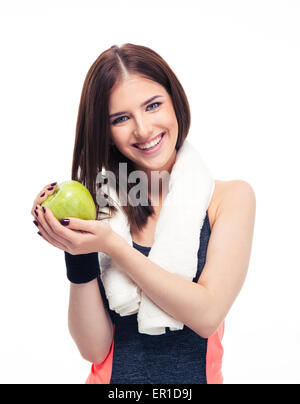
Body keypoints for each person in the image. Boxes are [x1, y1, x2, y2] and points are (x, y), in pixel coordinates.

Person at [31, 43, 256, 384]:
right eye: (121, 118)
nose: (143, 129)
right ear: (105, 132)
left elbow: (207, 314)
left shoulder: (229, 198)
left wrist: (113, 247)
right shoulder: (100, 206)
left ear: (175, 100)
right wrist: (77, 253)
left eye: (153, 106)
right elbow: (94, 349)